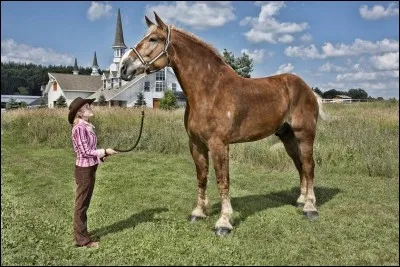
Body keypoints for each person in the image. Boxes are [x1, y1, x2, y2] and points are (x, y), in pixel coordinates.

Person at [68, 97, 118, 248]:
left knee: (84, 203)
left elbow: (90, 152)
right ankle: (82, 240)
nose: (90, 108)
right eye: (86, 106)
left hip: (89, 168)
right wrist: (103, 151)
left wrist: (102, 156)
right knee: (81, 205)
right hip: (84, 170)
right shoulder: (79, 128)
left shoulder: (87, 126)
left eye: (89, 105)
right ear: (79, 113)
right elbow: (84, 152)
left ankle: (81, 234)